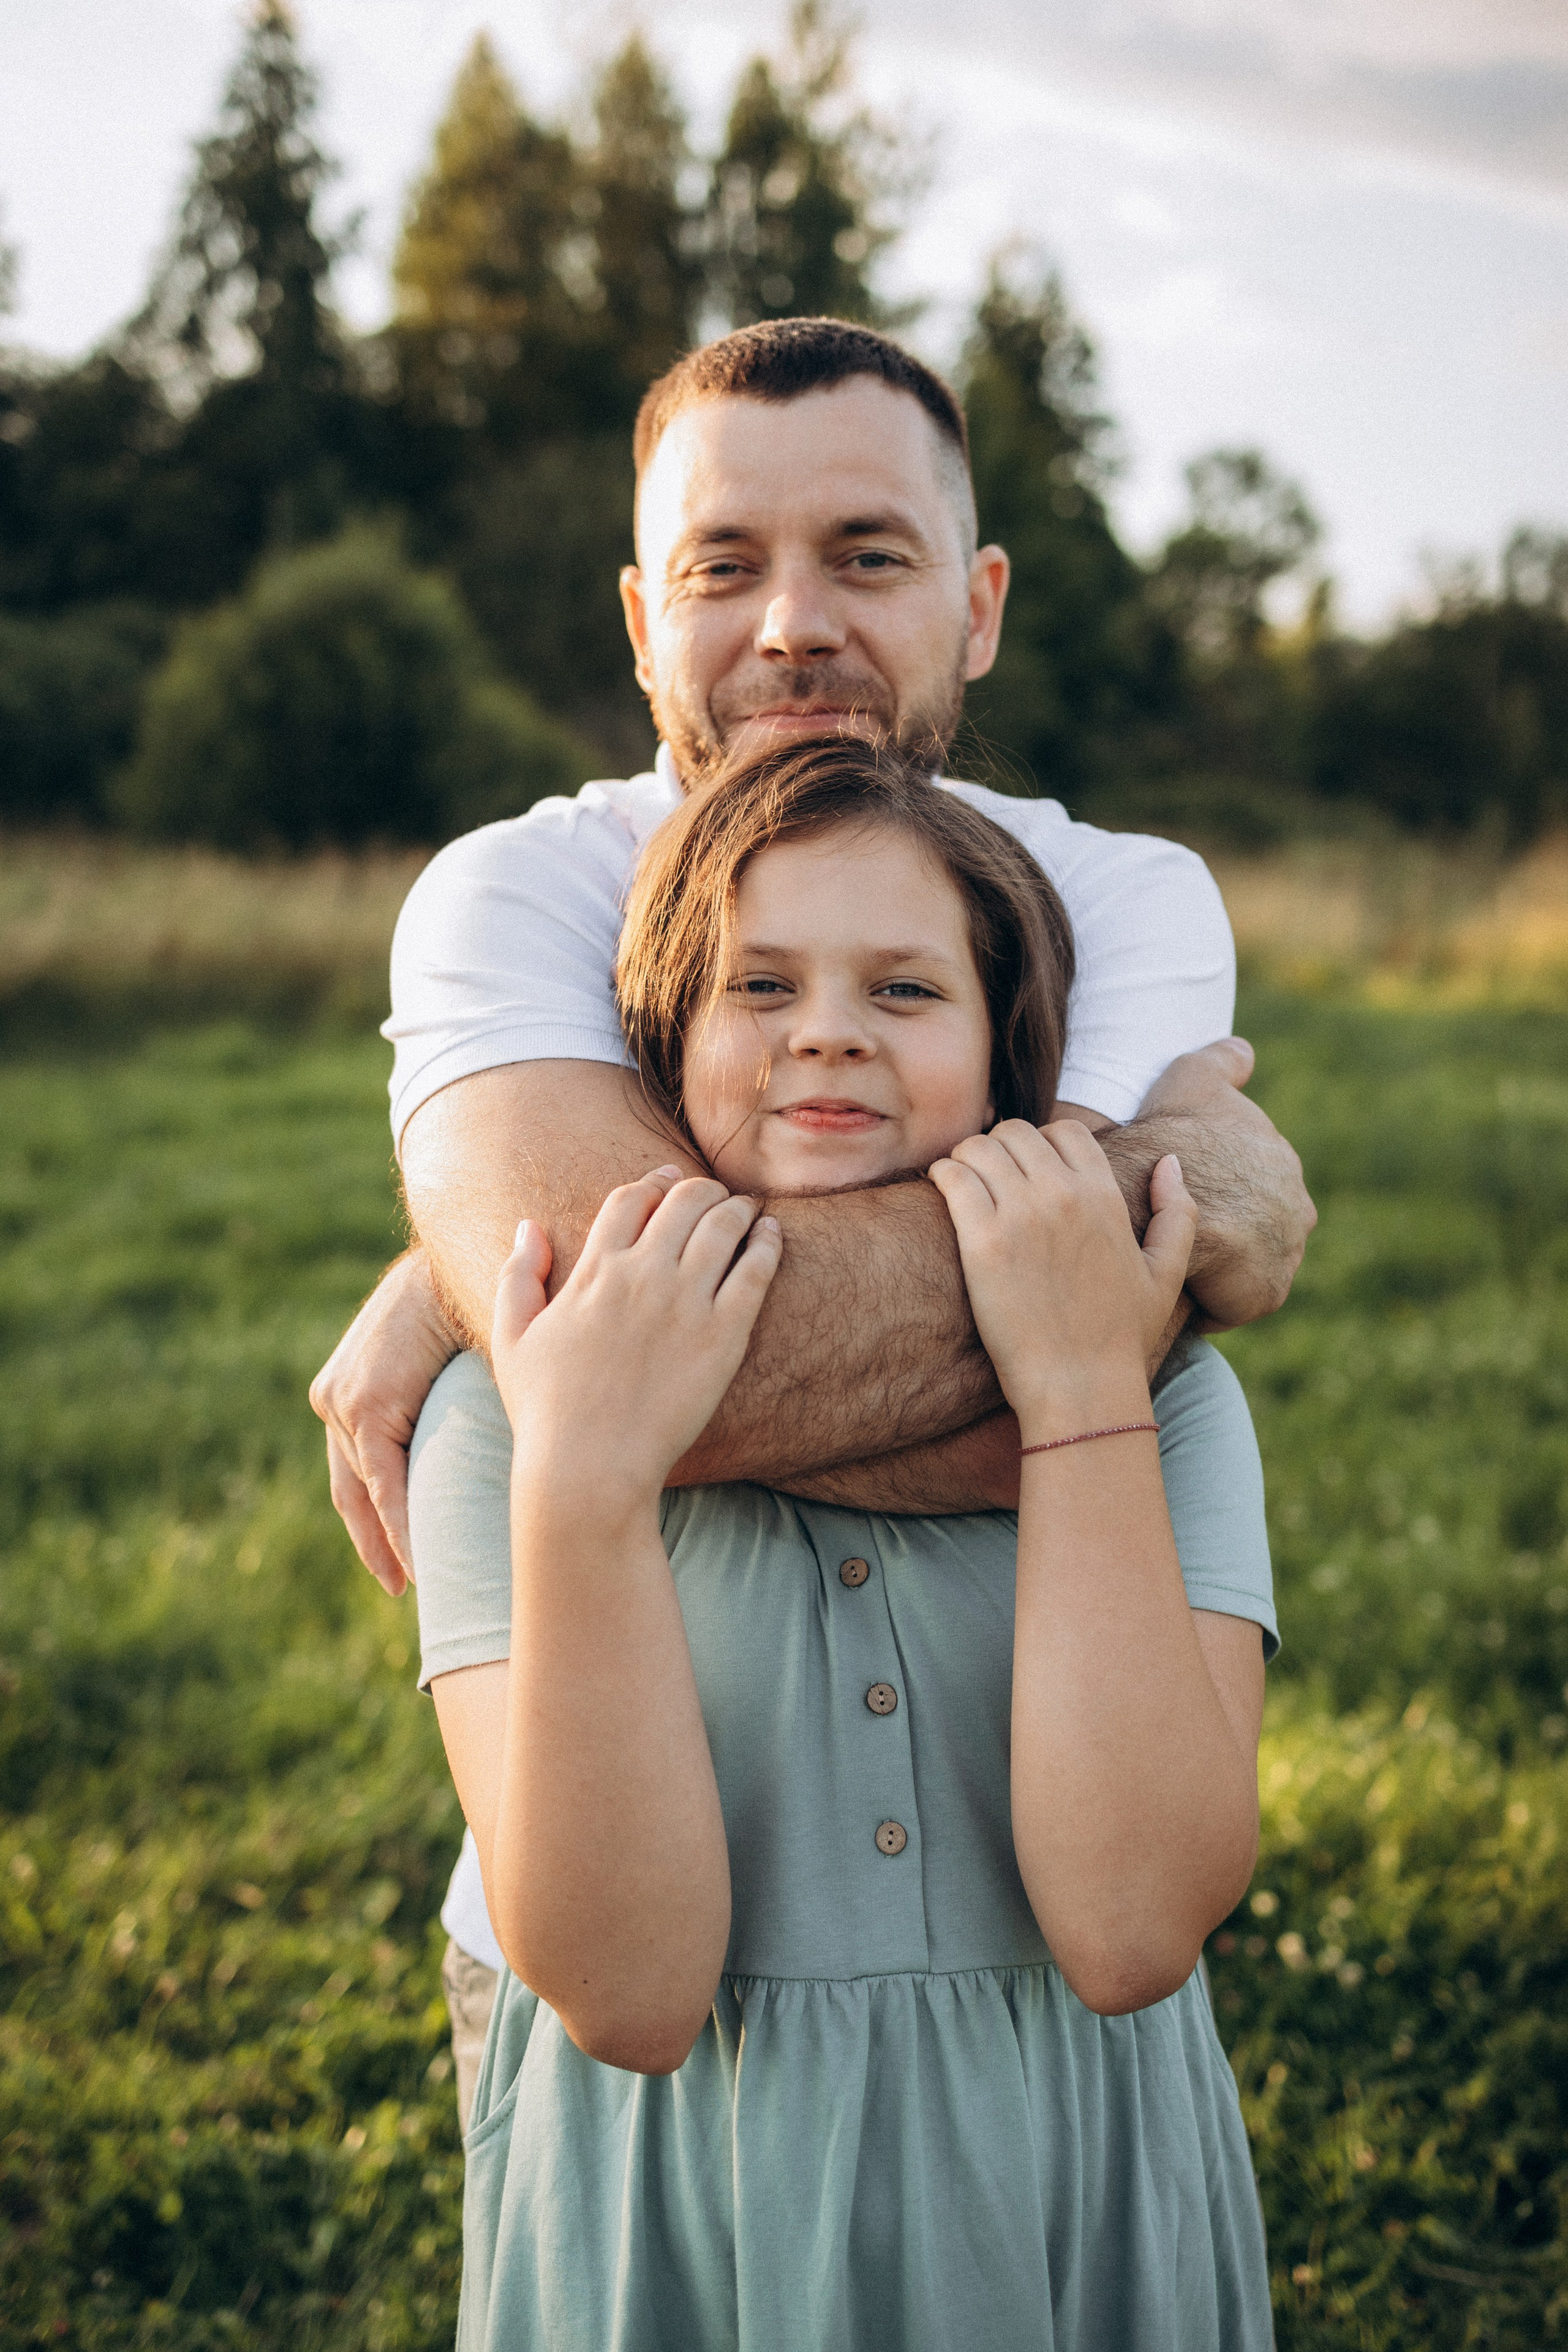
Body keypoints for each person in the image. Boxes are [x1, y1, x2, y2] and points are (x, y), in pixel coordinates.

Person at [307, 317, 1314, 2108]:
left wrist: (530, 1310)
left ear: (980, 603)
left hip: (1032, 1982)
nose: (793, 624)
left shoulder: (1118, 893)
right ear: (639, 621)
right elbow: (1053, 1328)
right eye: (724, 565)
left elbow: (711, 1357)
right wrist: (469, 1277)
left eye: (868, 556)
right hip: (617, 1989)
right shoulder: (513, 893)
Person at [409, 739, 1277, 2349]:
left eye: (905, 990)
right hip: (687, 2212)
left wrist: (1083, 1390)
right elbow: (631, 1997)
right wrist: (588, 1482)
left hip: (1064, 2188)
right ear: (652, 1054)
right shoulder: (498, 1425)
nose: (826, 1029)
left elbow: (1133, 1928)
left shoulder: (1172, 1401)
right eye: (758, 985)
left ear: (1016, 1056)